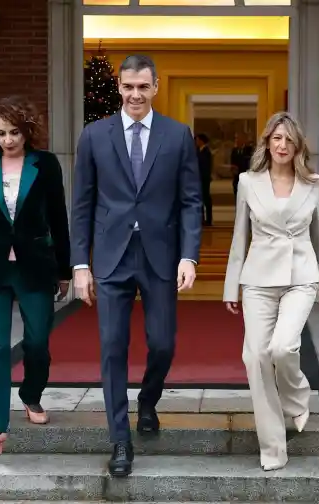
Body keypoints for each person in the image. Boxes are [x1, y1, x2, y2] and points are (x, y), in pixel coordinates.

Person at [71, 55, 203, 477]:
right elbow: (82, 205)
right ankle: (120, 440)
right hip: (111, 258)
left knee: (162, 343)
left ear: (155, 87)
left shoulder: (177, 135)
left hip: (160, 254)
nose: (135, 94)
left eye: (143, 87)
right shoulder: (94, 135)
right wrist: (80, 264)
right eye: (128, 86)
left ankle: (147, 400)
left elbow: (191, 201)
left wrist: (189, 255)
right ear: (119, 87)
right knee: (112, 346)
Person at [0, 95, 71, 455]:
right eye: (2, 133)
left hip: (35, 264)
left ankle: (31, 394)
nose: (8, 140)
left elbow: (58, 217)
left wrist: (65, 269)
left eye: (15, 132)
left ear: (27, 131)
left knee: (37, 341)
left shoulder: (45, 164)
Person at [223, 111, 319, 471]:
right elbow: (240, 235)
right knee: (256, 357)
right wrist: (231, 286)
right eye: (276, 138)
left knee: (283, 347)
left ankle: (296, 396)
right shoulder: (248, 182)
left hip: (301, 277)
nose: (282, 145)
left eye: (289, 139)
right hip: (258, 280)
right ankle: (273, 448)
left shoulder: (313, 183)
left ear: (298, 145)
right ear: (267, 143)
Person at [195, 133, 213, 226]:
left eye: (197, 140)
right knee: (200, 199)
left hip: (204, 178)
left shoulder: (206, 151)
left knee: (206, 198)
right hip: (198, 178)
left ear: (201, 141)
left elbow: (206, 166)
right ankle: (201, 218)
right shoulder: (197, 151)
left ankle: (209, 219)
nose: (196, 142)